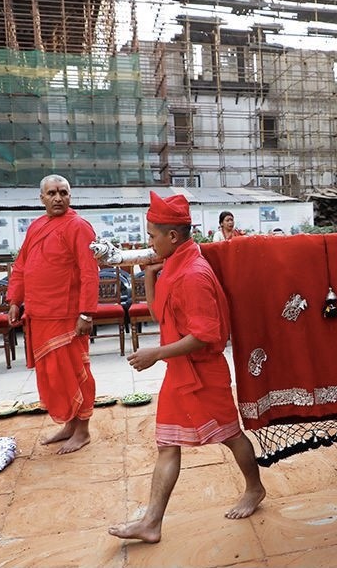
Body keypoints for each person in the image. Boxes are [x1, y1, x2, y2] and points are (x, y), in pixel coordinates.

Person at [109, 192, 265, 543]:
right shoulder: (173, 265)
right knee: (167, 444)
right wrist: (149, 275)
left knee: (230, 435)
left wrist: (157, 353)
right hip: (180, 373)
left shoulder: (192, 274)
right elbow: (158, 314)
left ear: (173, 237)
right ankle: (151, 522)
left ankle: (254, 489)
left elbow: (206, 335)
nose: (149, 242)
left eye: (152, 236)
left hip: (204, 374)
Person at [7, 175, 100, 454]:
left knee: (74, 372)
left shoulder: (79, 227)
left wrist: (86, 313)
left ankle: (82, 431)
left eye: (63, 193)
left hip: (67, 316)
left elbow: (89, 272)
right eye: (52, 193)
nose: (58, 198)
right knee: (53, 375)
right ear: (42, 198)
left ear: (70, 196)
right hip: (39, 314)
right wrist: (15, 300)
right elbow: (21, 266)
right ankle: (70, 426)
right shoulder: (36, 226)